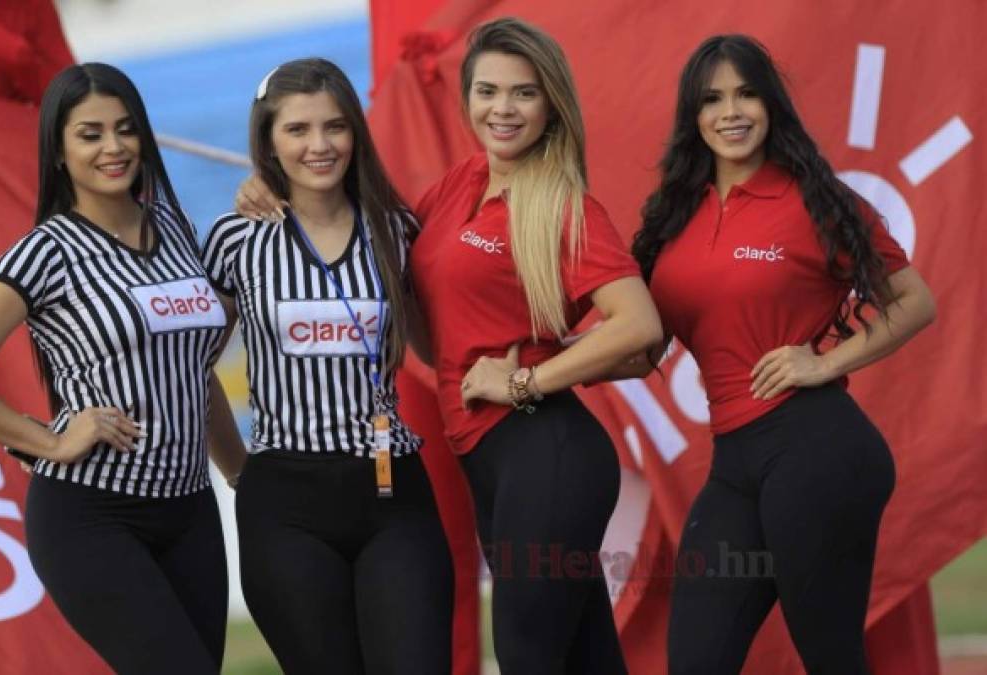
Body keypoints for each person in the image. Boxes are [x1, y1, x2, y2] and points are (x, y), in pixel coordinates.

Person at [631, 34, 936, 674]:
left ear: (771, 105)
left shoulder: (815, 201)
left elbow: (915, 300)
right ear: (694, 115)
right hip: (734, 463)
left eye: (746, 94)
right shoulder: (673, 217)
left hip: (817, 449)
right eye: (712, 99)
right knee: (694, 659)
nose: (731, 112)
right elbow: (646, 343)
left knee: (830, 656)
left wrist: (826, 362)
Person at [0, 63, 246, 673]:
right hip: (92, 516)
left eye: (126, 129)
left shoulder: (177, 231)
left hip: (191, 511)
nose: (114, 147)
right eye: (90, 134)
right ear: (58, 151)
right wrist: (47, 440)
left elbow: (194, 372)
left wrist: (240, 476)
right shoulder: (46, 251)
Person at [412, 18, 659, 673]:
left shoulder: (560, 204)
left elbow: (638, 327)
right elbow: (405, 289)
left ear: (550, 102)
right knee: (584, 656)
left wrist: (525, 380)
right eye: (487, 90)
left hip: (547, 456)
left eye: (522, 93)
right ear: (466, 97)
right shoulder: (455, 186)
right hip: (490, 460)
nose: (502, 108)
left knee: (526, 654)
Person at [203, 58, 453, 674]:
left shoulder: (398, 230)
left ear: (356, 133)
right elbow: (191, 369)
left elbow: (436, 350)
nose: (319, 145)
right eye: (297, 130)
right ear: (268, 140)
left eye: (335, 127)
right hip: (284, 503)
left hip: (392, 491)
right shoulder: (236, 239)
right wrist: (240, 473)